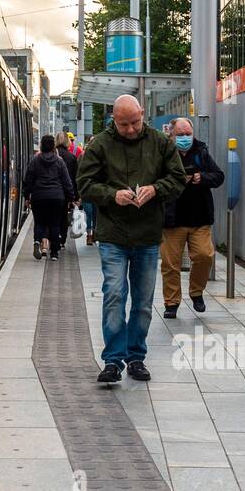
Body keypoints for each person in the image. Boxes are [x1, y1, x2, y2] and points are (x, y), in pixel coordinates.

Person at [76, 95, 186, 384]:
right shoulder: (100, 144)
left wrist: (156, 189)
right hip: (113, 233)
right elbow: (84, 184)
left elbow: (177, 178)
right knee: (114, 294)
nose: (130, 129)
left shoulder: (160, 143)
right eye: (123, 124)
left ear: (142, 114)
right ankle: (113, 361)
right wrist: (112, 195)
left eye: (135, 122)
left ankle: (136, 356)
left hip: (148, 235)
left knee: (143, 301)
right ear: (114, 119)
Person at [161, 117, 225, 318]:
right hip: (172, 220)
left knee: (205, 256)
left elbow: (218, 176)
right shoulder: (164, 154)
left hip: (200, 218)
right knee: (170, 263)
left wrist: (201, 178)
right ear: (171, 135)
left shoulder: (201, 152)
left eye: (188, 134)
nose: (185, 138)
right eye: (180, 135)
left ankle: (196, 291)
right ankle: (171, 303)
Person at [24, 134, 74, 261]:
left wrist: (27, 196)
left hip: (39, 196)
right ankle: (55, 254)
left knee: (40, 222)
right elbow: (67, 181)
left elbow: (28, 179)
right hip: (57, 197)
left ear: (41, 145)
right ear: (53, 146)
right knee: (55, 224)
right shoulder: (59, 161)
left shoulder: (35, 160)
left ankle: (37, 241)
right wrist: (70, 197)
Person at [55, 133, 79, 251]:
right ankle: (62, 241)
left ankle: (53, 240)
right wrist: (75, 196)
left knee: (52, 217)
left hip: (52, 190)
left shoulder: (52, 156)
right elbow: (75, 178)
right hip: (65, 193)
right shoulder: (72, 157)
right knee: (63, 217)